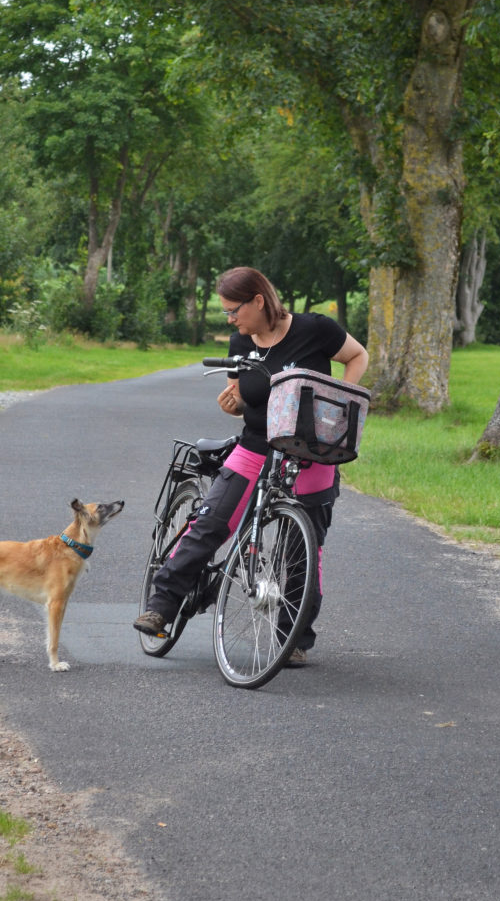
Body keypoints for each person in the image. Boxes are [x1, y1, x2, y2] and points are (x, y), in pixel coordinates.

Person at [134, 266, 369, 667]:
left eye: (233, 310)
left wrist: (341, 404)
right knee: (210, 523)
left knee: (303, 550)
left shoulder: (315, 329)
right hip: (256, 446)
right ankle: (162, 606)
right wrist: (232, 402)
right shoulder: (240, 341)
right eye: (226, 312)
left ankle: (293, 638)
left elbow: (357, 355)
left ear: (258, 300)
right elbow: (237, 395)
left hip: (311, 451)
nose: (230, 319)